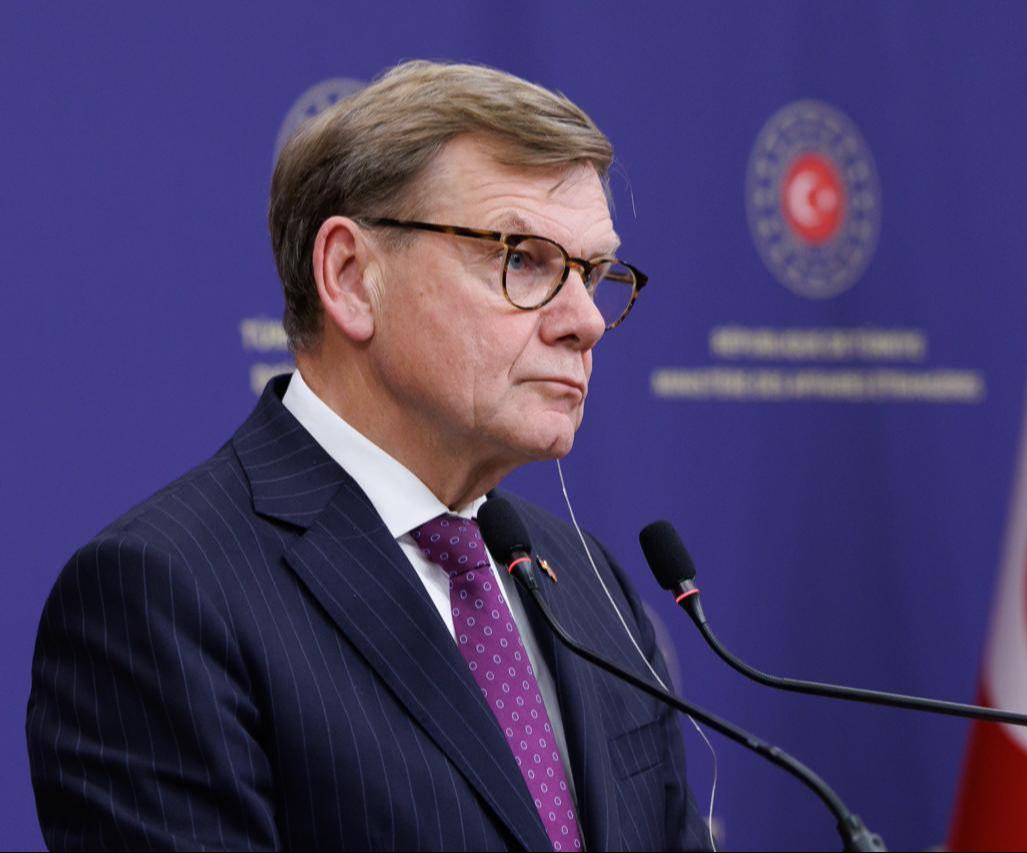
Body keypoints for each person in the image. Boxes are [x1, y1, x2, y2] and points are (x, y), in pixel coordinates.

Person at [27, 60, 710, 852]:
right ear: (351, 277)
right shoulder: (164, 597)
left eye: (592, 273)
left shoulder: (589, 583)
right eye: (525, 259)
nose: (584, 321)